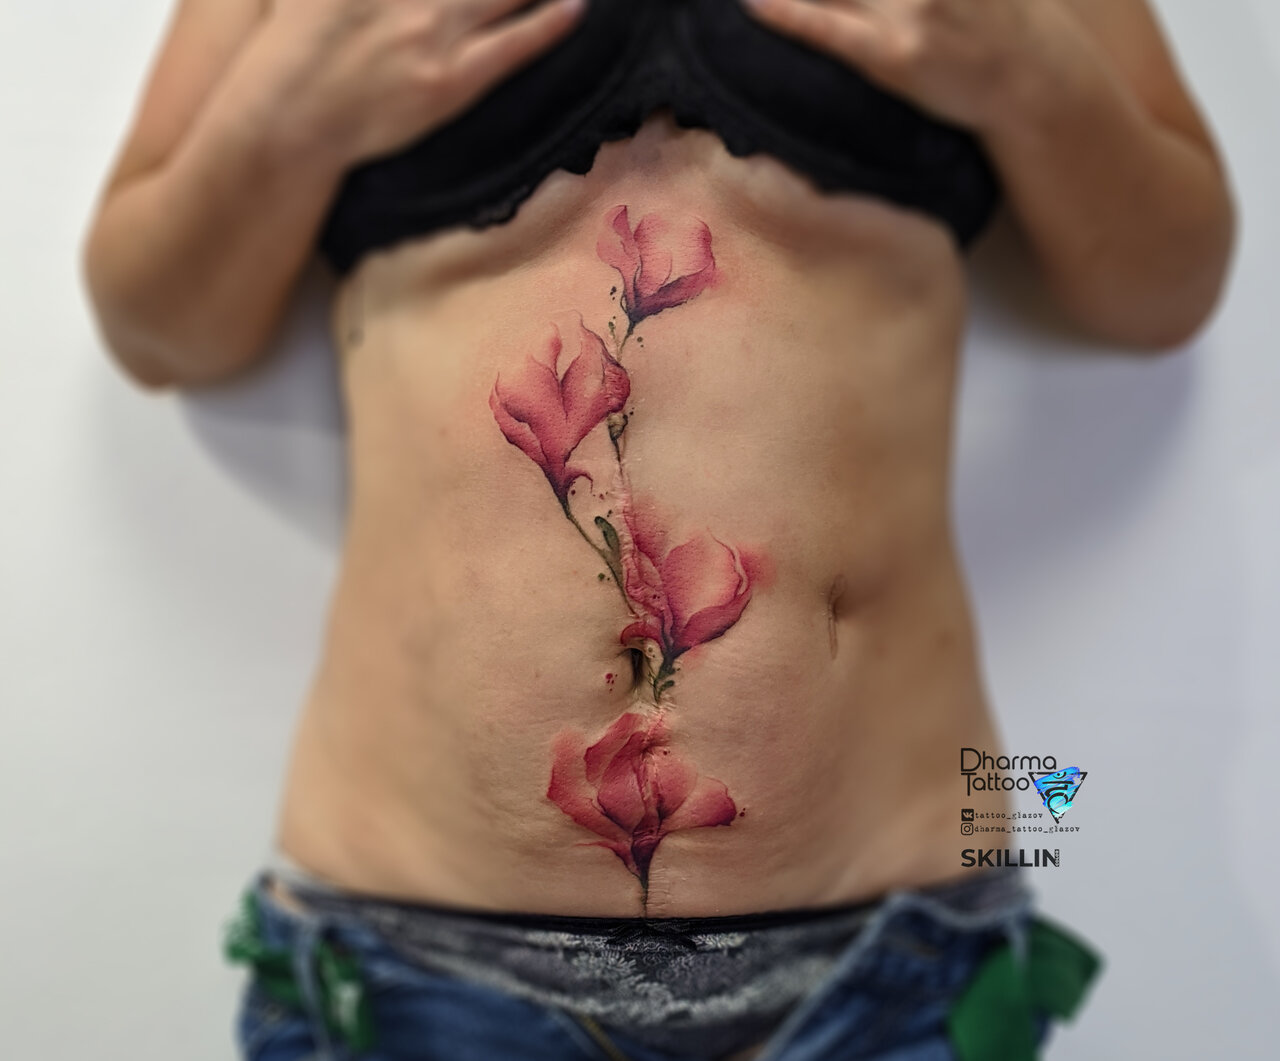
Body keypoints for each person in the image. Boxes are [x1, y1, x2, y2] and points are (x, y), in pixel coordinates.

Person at [82, 1, 1235, 1059]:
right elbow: (162, 331)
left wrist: (1031, 76)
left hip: (890, 955)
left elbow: (1161, 291)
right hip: (408, 964)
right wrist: (283, 121)